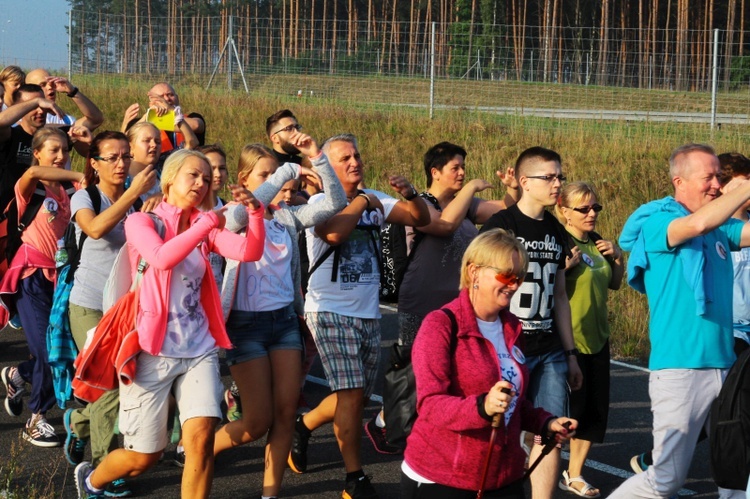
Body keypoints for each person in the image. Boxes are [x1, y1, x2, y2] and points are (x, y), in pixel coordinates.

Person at [73, 149, 266, 499]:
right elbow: (162, 258)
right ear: (170, 179)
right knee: (143, 457)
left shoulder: (202, 228)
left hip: (199, 349)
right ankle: (92, 481)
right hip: (150, 352)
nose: (202, 182)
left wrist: (255, 213)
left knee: (201, 440)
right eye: (193, 175)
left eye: (206, 178)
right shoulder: (142, 222)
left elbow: (249, 252)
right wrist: (207, 222)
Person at [289, 133, 429, 499]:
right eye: (344, 159)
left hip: (367, 314)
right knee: (350, 395)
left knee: (356, 397)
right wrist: (364, 200)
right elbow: (334, 233)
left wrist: (411, 195)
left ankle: (303, 426)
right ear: (327, 170)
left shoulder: (376, 199)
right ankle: (355, 477)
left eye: (357, 156)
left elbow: (421, 218)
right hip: (329, 311)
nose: (355, 162)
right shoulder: (320, 202)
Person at [612, 143, 750, 498]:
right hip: (681, 369)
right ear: (680, 180)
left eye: (719, 177)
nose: (717, 185)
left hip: (725, 366)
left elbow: (733, 229)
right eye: (709, 177)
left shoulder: (718, 232)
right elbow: (700, 221)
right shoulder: (660, 223)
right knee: (666, 480)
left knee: (738, 470)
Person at [213, 133, 346, 499]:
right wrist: (285, 167)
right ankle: (198, 450)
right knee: (256, 422)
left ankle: (270, 494)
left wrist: (316, 157)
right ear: (244, 180)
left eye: (277, 175)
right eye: (264, 175)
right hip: (245, 326)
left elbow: (336, 201)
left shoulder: (287, 218)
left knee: (286, 413)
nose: (278, 182)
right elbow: (242, 213)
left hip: (284, 323)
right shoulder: (231, 214)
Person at [366, 141, 519, 454]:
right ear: (435, 172)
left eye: (464, 167)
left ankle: (426, 428)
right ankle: (383, 420)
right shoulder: (421, 206)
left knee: (447, 370)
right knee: (413, 370)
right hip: (420, 301)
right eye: (455, 167)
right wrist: (473, 187)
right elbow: (444, 226)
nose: (462, 173)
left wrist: (513, 188)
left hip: (454, 305)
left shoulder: (467, 206)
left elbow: (505, 208)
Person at [402, 228, 577, 499]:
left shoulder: (512, 327)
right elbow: (430, 404)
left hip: (503, 476)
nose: (514, 284)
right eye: (506, 275)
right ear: (474, 272)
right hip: (442, 478)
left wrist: (546, 422)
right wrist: (482, 407)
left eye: (519, 277)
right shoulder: (440, 325)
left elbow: (512, 403)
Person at [479, 146, 583, 499]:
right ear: (524, 182)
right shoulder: (501, 226)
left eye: (560, 177)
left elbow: (559, 297)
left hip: (549, 348)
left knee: (550, 433)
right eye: (549, 177)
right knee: (497, 428)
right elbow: (478, 286)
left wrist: (570, 354)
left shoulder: (555, 230)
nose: (557, 184)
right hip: (509, 346)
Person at [63, 131, 156, 497]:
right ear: (95, 163)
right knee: (107, 387)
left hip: (125, 307)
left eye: (124, 156)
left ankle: (79, 422)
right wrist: (134, 196)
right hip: (87, 305)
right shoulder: (85, 197)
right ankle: (102, 467)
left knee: (121, 383)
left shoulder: (141, 199)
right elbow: (96, 229)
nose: (120, 164)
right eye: (111, 158)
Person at [0, 127, 85, 447]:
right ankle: (36, 418)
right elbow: (34, 171)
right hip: (30, 275)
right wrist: (77, 172)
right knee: (48, 351)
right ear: (37, 152)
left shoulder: (71, 191)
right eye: (53, 150)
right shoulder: (29, 186)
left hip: (61, 278)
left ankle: (17, 375)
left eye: (65, 149)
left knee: (58, 348)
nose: (61, 155)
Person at [553, 182, 624, 498]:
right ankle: (534, 461)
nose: (592, 213)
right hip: (567, 340)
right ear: (563, 211)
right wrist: (563, 267)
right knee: (562, 415)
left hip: (597, 338)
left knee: (593, 414)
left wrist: (618, 257)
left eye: (596, 207)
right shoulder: (558, 242)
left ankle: (574, 473)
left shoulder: (598, 243)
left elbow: (615, 284)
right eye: (584, 208)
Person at [121, 82, 205, 151]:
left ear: (177, 98)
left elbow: (196, 125)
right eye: (161, 97)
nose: (167, 99)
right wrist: (148, 117)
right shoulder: (143, 121)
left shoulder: (192, 117)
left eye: (170, 95)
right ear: (151, 103)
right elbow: (125, 140)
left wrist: (170, 111)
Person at [25, 68, 104, 131]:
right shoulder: (17, 117)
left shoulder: (65, 120)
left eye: (52, 83)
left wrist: (73, 91)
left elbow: (95, 120)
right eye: (43, 85)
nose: (50, 87)